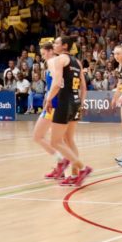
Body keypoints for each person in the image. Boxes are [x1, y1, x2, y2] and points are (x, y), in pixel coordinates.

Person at [45, 36, 92, 187]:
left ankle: (83, 168)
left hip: (64, 102)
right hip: (76, 102)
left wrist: (49, 99)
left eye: (57, 43)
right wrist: (82, 102)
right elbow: (83, 87)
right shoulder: (77, 62)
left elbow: (57, 83)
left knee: (55, 141)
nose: (54, 45)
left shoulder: (60, 60)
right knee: (69, 140)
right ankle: (74, 175)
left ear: (64, 46)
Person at [34, 43, 69, 180]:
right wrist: (46, 96)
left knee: (40, 136)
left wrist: (49, 98)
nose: (43, 56)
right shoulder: (55, 62)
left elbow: (58, 82)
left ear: (50, 51)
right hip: (53, 102)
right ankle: (61, 163)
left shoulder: (53, 62)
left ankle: (62, 162)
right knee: (50, 138)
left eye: (44, 53)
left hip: (54, 104)